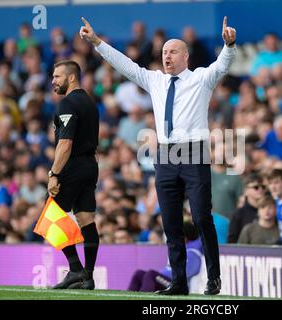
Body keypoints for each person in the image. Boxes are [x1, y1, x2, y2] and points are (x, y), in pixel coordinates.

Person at [80, 16, 237, 295]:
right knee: (170, 221)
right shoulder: (155, 81)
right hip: (165, 156)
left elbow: (223, 65)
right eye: (164, 52)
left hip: (193, 152)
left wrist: (229, 45)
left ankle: (214, 277)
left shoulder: (201, 78)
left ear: (186, 56)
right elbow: (126, 65)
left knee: (201, 217)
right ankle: (178, 282)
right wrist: (97, 43)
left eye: (173, 51)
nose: (167, 56)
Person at [48, 60, 100, 290]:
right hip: (90, 165)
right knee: (86, 218)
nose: (53, 81)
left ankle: (75, 268)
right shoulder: (90, 102)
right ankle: (87, 276)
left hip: (73, 166)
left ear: (71, 78)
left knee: (51, 217)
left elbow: (65, 143)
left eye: (57, 76)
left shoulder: (67, 104)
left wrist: (54, 174)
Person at [127, 220, 202, 292]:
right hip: (165, 280)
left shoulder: (193, 254)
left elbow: (186, 274)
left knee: (151, 275)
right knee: (139, 273)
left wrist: (161, 276)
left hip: (176, 285)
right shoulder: (180, 250)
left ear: (185, 236)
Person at [227, 174, 265, 243]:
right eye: (256, 187)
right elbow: (232, 241)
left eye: (263, 187)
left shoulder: (270, 210)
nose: (260, 189)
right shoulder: (238, 214)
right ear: (245, 191)